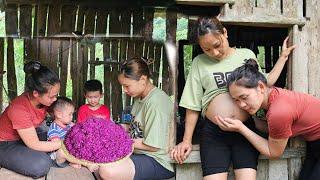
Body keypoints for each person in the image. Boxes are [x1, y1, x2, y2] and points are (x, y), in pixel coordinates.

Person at [170, 16, 295, 180]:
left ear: (225, 33)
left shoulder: (245, 55)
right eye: (207, 49)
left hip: (245, 130)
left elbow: (265, 83)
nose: (214, 53)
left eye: (217, 45)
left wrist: (283, 57)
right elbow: (193, 104)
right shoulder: (199, 63)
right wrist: (186, 140)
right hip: (214, 134)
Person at [214, 59, 320, 180]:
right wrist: (248, 121)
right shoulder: (273, 95)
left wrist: (241, 128)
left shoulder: (278, 111)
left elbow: (274, 152)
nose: (241, 105)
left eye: (244, 97)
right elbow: (271, 128)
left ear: (261, 87)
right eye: (236, 100)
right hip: (314, 143)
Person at [96, 57, 175, 180]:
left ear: (143, 79)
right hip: (140, 154)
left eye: (127, 86)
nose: (125, 90)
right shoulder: (140, 98)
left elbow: (153, 145)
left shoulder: (156, 103)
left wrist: (120, 141)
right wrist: (111, 129)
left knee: (107, 171)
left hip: (157, 160)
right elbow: (134, 127)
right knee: (96, 163)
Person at [0, 61, 61, 178]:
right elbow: (34, 144)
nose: (55, 99)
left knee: (53, 134)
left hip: (23, 137)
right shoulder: (19, 109)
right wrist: (63, 144)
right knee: (41, 165)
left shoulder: (44, 101)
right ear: (36, 93)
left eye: (56, 95)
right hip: (5, 143)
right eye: (51, 96)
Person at [47, 96, 80, 168]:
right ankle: (77, 162)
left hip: (69, 151)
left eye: (72, 114)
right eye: (69, 114)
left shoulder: (69, 124)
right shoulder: (54, 129)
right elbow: (57, 144)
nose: (72, 117)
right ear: (59, 114)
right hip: (57, 156)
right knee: (62, 151)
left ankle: (71, 161)